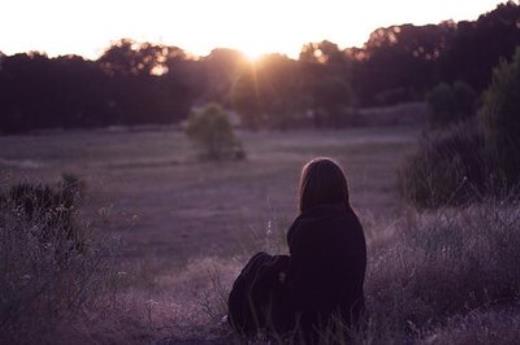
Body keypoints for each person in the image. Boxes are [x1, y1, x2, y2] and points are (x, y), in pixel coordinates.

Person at [228, 157, 367, 343]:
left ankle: (239, 322)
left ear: (308, 189)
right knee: (264, 263)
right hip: (351, 319)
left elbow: (302, 290)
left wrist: (277, 270)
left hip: (313, 327)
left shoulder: (306, 226)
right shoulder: (352, 222)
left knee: (259, 266)